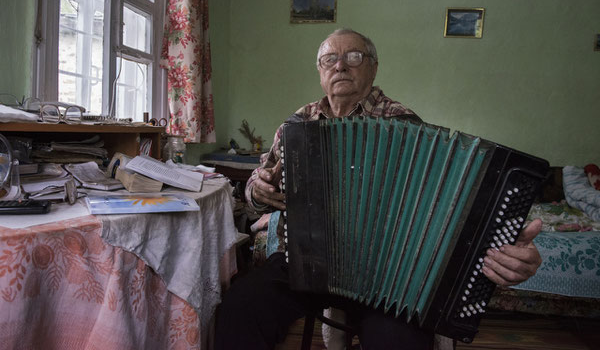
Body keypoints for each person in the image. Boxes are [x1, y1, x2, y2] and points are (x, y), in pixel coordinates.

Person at [214, 28, 543, 350]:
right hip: (303, 265)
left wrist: (497, 247)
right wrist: (257, 190)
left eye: (353, 56)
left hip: (384, 275)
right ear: (320, 72)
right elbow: (260, 184)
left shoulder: (403, 123)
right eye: (329, 59)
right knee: (240, 308)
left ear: (373, 66)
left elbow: (444, 208)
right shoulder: (298, 124)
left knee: (399, 340)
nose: (340, 65)